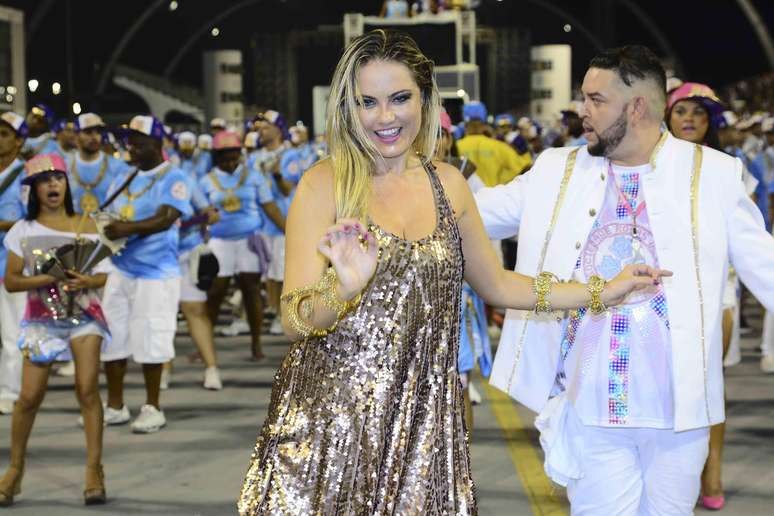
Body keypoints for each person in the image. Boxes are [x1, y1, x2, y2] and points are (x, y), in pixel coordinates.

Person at [237, 30, 666, 515]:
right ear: (346, 108)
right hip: (332, 425)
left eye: (400, 98)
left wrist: (601, 291)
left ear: (424, 99)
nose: (385, 117)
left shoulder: (449, 185)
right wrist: (343, 287)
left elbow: (499, 284)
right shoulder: (324, 184)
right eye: (367, 102)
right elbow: (294, 319)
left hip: (425, 425)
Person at [476, 45, 774, 515]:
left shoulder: (713, 175)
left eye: (596, 99)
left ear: (636, 107)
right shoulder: (558, 171)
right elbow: (473, 215)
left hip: (680, 415)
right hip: (593, 406)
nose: (583, 111)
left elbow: (766, 266)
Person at [0, 153, 110, 506]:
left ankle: (94, 470)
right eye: (44, 180)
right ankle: (14, 470)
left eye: (58, 178)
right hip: (41, 319)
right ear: (33, 189)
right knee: (29, 397)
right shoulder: (23, 230)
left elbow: (107, 273)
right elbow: (12, 282)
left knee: (87, 387)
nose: (53, 185)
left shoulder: (87, 224)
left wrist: (88, 279)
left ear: (66, 184)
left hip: (85, 315)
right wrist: (49, 277)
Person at [665, 81, 749, 511]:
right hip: (663, 289)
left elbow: (748, 237)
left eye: (699, 113)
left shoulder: (728, 168)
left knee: (708, 381)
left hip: (719, 291)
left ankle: (711, 467)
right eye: (682, 111)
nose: (690, 119)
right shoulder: (649, 162)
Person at [99, 115, 193, 433]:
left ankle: (153, 407)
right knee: (112, 337)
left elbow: (165, 218)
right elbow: (108, 214)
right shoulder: (124, 177)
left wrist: (124, 228)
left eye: (138, 141)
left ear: (157, 143)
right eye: (129, 141)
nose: (132, 147)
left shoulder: (174, 176)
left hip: (156, 273)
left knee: (152, 337)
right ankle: (114, 405)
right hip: (121, 268)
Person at [200, 131, 285, 361]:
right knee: (215, 292)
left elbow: (270, 207)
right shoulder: (206, 181)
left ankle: (256, 344)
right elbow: (200, 213)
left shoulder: (254, 176)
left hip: (249, 240)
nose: (230, 161)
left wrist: (290, 230)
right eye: (225, 156)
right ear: (216, 157)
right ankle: (204, 346)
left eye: (234, 155)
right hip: (219, 242)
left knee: (251, 290)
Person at [252, 110, 291, 335]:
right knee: (266, 275)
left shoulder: (291, 155)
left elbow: (288, 191)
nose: (261, 131)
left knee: (281, 273)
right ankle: (271, 311)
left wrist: (277, 175)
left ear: (278, 128)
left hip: (281, 223)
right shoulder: (253, 157)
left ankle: (280, 315)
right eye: (259, 128)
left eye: (266, 127)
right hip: (259, 224)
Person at [0, 113, 28, 416]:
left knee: (12, 334)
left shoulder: (26, 176)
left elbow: (32, 220)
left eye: (5, 133)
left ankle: (11, 390)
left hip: (12, 267)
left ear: (19, 141)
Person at [457, 102, 532, 187]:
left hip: (463, 198)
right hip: (492, 198)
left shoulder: (455, 147)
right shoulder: (499, 146)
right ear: (484, 123)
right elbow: (526, 169)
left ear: (465, 123)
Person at [69, 113, 132, 215]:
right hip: (72, 227)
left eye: (98, 132)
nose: (94, 137)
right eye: (88, 132)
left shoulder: (119, 167)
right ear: (76, 136)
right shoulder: (65, 166)